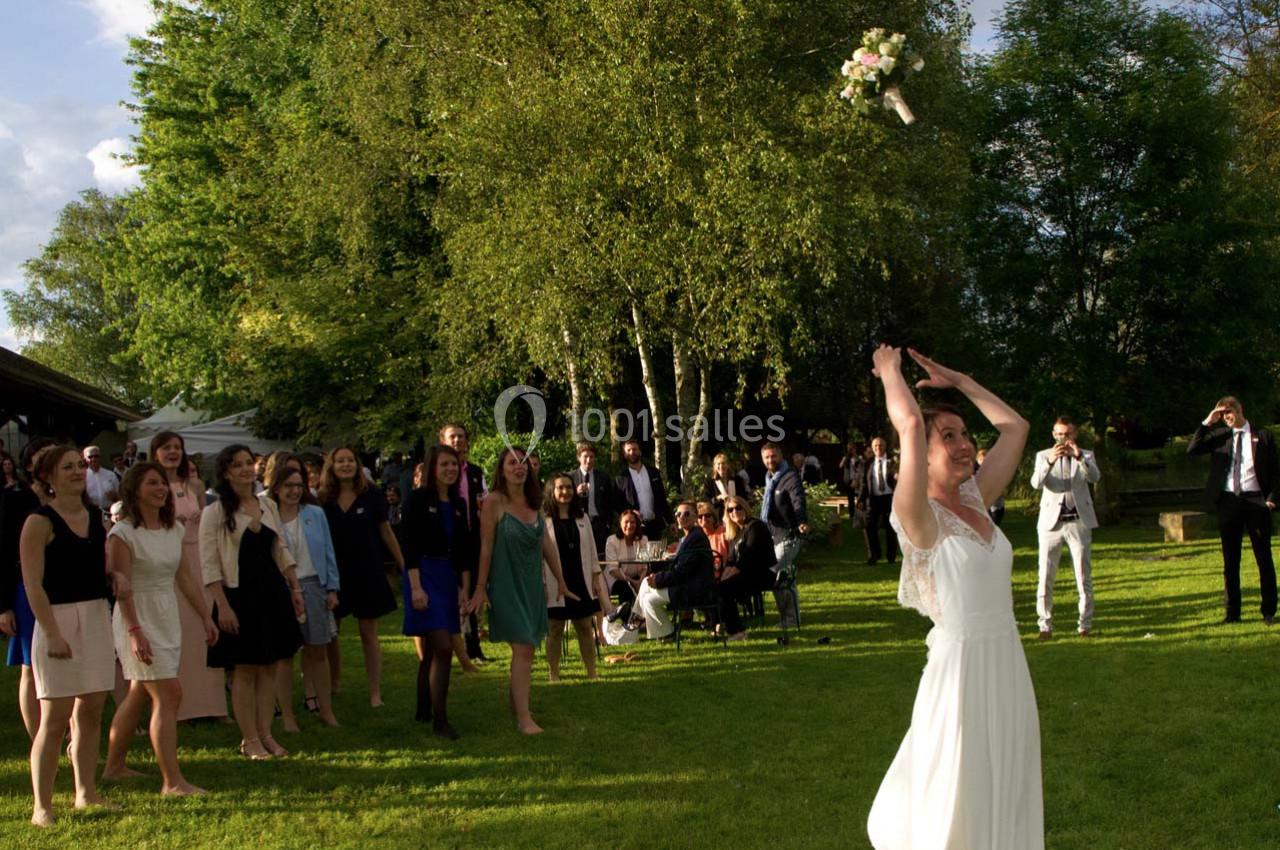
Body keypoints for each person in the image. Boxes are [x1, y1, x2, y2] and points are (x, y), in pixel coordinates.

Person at [864, 345, 1042, 850]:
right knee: (957, 789)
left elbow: (1015, 428)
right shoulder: (918, 516)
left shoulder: (976, 499)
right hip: (959, 675)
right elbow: (909, 426)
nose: (965, 445)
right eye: (949, 437)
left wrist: (960, 381)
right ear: (923, 452)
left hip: (1006, 662)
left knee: (1005, 780)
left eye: (965, 435)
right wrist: (890, 372)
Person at [101, 462, 217, 794]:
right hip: (136, 617)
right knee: (169, 693)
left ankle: (113, 767)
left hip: (166, 615)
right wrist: (135, 632)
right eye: (152, 483)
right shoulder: (122, 534)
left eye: (162, 483)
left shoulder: (172, 529)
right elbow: (122, 589)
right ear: (134, 489)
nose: (161, 488)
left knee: (139, 692)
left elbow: (184, 578)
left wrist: (205, 615)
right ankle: (173, 782)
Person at [20, 445, 116, 826]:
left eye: (80, 465)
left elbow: (97, 568)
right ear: (48, 477)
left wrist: (116, 576)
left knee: (91, 710)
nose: (77, 471)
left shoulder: (95, 517)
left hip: (96, 617)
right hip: (56, 620)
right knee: (54, 719)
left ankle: (85, 793)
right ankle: (41, 806)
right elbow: (33, 585)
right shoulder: (38, 522)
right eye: (68, 467)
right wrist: (52, 633)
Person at [200, 445, 305, 760]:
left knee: (270, 667)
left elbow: (280, 549)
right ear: (226, 472)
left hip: (272, 594)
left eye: (249, 463)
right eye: (237, 465)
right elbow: (209, 564)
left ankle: (266, 734)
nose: (245, 469)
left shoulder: (267, 505)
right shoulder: (215, 512)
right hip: (238, 596)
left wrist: (295, 588)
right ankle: (250, 740)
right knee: (245, 670)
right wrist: (223, 605)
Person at [466, 447, 576, 735]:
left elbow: (546, 544)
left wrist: (561, 581)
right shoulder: (494, 501)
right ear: (502, 470)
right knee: (524, 647)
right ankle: (524, 719)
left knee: (526, 647)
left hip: (531, 586)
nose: (519, 467)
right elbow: (485, 547)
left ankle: (516, 705)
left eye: (523, 462)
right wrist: (480, 588)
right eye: (512, 463)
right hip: (505, 585)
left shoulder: (535, 501)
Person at [151, 431, 227, 722]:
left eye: (177, 448)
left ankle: (213, 705)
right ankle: (179, 707)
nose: (173, 452)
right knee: (177, 632)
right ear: (155, 452)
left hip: (197, 558)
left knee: (205, 629)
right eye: (166, 447)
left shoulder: (194, 484)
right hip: (169, 562)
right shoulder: (152, 485)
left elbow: (209, 524)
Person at [320, 446, 404, 708]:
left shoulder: (372, 495)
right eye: (340, 461)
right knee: (331, 633)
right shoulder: (323, 498)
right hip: (334, 573)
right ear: (332, 466)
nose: (346, 465)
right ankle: (334, 682)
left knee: (369, 633)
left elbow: (386, 532)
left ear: (357, 465)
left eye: (350, 460)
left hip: (367, 570)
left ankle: (375, 692)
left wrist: (403, 563)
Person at [1188, 396, 1280, 625]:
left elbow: (1277, 472)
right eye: (1222, 414)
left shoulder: (1263, 436)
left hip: (1256, 502)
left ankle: (1268, 611)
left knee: (1263, 558)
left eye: (1228, 413)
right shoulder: (1220, 436)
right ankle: (1232, 614)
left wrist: (1271, 500)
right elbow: (1193, 449)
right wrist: (1207, 422)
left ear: (1239, 410)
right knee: (1230, 561)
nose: (1226, 418)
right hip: (1228, 502)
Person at [401, 445, 473, 738]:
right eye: (444, 464)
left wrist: (464, 588)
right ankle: (440, 721)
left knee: (433, 648)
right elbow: (409, 545)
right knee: (443, 647)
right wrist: (416, 587)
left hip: (447, 577)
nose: (450, 469)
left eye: (454, 464)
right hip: (422, 574)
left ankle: (424, 707)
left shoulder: (458, 504)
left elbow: (463, 550)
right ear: (432, 467)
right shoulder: (416, 499)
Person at [267, 463, 341, 728]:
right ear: (276, 488)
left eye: (299, 485)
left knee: (318, 650)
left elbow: (329, 551)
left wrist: (331, 588)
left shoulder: (315, 514)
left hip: (314, 585)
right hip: (282, 588)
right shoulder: (268, 516)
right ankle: (287, 716)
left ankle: (326, 710)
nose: (295, 491)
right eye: (288, 486)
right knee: (284, 656)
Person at [1, 437, 55, 741]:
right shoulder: (15, 500)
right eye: (42, 455)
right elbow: (3, 551)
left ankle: (65, 731)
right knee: (30, 665)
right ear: (30, 464)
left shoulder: (69, 499)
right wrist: (3, 606)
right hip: (25, 588)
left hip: (63, 590)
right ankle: (38, 738)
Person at [1030, 417, 1100, 639]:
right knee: (1045, 575)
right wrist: (1050, 462)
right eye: (1059, 434)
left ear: (1075, 434)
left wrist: (1079, 457)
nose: (1063, 439)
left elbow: (1094, 477)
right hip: (1051, 524)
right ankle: (1045, 625)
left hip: (1079, 522)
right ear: (1053, 435)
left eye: (1067, 434)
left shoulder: (1086, 454)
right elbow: (1036, 483)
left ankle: (1084, 625)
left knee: (1083, 575)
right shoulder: (1043, 455)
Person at [542, 473, 607, 681]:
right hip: (554, 582)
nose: (565, 492)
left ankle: (592, 673)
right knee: (555, 630)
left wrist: (595, 578)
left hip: (581, 580)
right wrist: (542, 583)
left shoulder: (583, 518)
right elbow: (539, 556)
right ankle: (553, 674)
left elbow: (592, 550)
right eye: (560, 488)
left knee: (585, 628)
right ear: (551, 491)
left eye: (569, 487)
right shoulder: (543, 520)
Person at [440, 423, 490, 663]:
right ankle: (448, 645)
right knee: (450, 592)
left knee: (470, 593)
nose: (458, 441)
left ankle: (473, 647)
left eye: (461, 437)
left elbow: (484, 500)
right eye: (453, 437)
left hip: (472, 539)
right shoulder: (438, 471)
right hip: (446, 540)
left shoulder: (475, 472)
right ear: (443, 441)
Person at [633, 502, 716, 640]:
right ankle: (646, 623)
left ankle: (651, 627)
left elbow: (683, 572)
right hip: (687, 584)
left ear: (695, 517)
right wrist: (658, 577)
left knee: (648, 594)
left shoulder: (695, 539)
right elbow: (680, 569)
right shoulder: (689, 537)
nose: (682, 517)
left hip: (695, 590)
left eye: (687, 514)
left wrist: (658, 579)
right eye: (678, 514)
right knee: (646, 588)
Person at [760, 442, 808, 626]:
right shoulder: (770, 479)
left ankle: (790, 619)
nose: (770, 460)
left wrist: (801, 520)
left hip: (789, 536)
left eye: (773, 456)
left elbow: (798, 500)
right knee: (784, 577)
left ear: (780, 456)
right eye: (767, 457)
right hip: (773, 537)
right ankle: (790, 618)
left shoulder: (790, 477)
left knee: (775, 573)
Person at [717, 496, 777, 641]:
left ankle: (736, 632)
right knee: (718, 587)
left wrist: (726, 579)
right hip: (745, 574)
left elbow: (747, 559)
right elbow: (731, 561)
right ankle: (721, 624)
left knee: (725, 589)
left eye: (738, 508)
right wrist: (722, 578)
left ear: (745, 508)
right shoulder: (736, 532)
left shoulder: (755, 526)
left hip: (762, 574)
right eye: (730, 510)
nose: (734, 512)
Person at [615, 439, 673, 542]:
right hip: (634, 527)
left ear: (640, 451)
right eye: (628, 450)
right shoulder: (621, 478)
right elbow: (618, 504)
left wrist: (671, 521)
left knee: (656, 551)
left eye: (634, 449)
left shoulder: (653, 473)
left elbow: (662, 498)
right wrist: (631, 512)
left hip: (655, 525)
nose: (632, 452)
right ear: (624, 455)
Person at [570, 442, 614, 554]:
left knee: (599, 555)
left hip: (598, 524)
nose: (588, 460)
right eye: (585, 457)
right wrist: (575, 492)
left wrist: (608, 524)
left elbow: (610, 502)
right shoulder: (570, 477)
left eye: (591, 457)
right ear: (578, 458)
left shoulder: (603, 477)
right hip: (577, 522)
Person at [862, 437, 898, 565]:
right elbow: (864, 482)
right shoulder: (868, 463)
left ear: (885, 446)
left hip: (890, 498)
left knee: (890, 527)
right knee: (869, 526)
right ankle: (874, 555)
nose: (878, 448)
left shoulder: (892, 461)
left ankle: (891, 556)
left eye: (880, 445)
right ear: (872, 448)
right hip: (874, 499)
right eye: (875, 446)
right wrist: (860, 499)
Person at [602, 509, 649, 607]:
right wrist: (633, 582)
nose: (629, 525)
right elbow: (613, 570)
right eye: (626, 522)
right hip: (617, 579)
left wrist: (640, 582)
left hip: (638, 578)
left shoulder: (643, 540)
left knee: (648, 586)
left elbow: (645, 565)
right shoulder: (612, 541)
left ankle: (643, 615)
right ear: (620, 524)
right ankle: (625, 616)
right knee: (626, 590)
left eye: (632, 522)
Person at [701, 453, 751, 517]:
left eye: (723, 463)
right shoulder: (709, 482)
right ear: (715, 466)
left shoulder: (737, 480)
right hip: (719, 516)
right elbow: (706, 501)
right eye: (718, 464)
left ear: (728, 465)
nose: (721, 466)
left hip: (736, 514)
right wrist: (718, 498)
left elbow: (744, 497)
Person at [82, 445, 120, 511]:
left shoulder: (110, 475)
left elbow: (120, 495)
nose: (93, 459)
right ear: (85, 459)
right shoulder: (82, 476)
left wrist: (115, 497)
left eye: (96, 456)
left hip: (110, 510)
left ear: (100, 457)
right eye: (90, 457)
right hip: (91, 511)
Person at [696, 501, 728, 571]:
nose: (704, 519)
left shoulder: (724, 532)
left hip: (725, 573)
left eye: (707, 515)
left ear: (714, 518)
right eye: (700, 516)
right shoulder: (696, 538)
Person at [976, 448, 1005, 525]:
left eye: (984, 459)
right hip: (985, 506)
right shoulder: (977, 474)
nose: (982, 461)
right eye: (980, 459)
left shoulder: (994, 472)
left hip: (996, 506)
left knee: (994, 526)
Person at [839, 441, 866, 522]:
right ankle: (852, 515)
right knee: (850, 499)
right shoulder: (846, 458)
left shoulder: (859, 457)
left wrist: (855, 455)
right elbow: (840, 466)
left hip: (858, 480)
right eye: (849, 448)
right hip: (848, 480)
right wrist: (846, 458)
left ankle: (860, 515)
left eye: (851, 448)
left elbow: (863, 464)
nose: (850, 450)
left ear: (855, 448)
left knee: (859, 498)